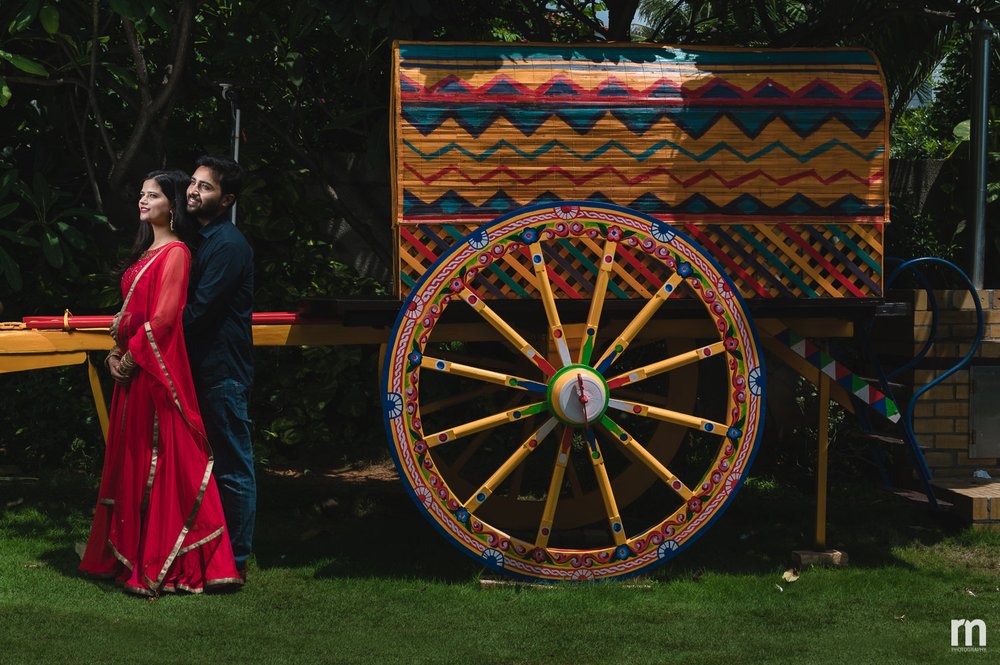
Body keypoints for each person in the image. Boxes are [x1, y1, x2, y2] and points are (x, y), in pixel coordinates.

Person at [80, 170, 243, 596]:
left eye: (152, 195)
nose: (142, 200)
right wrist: (116, 353)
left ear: (172, 205)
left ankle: (173, 559)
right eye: (140, 194)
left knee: (167, 465)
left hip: (154, 377)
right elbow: (131, 314)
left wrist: (131, 356)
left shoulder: (176, 253)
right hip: (134, 374)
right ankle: (129, 553)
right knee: (131, 465)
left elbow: (165, 319)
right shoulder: (145, 253)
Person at [182, 155, 255, 579]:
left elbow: (201, 312)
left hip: (221, 371)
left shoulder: (227, 244)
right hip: (201, 368)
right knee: (207, 467)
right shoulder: (201, 238)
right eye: (193, 182)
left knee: (233, 468)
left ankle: (238, 561)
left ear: (226, 200)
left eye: (205, 187)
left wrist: (154, 336)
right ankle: (210, 552)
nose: (193, 190)